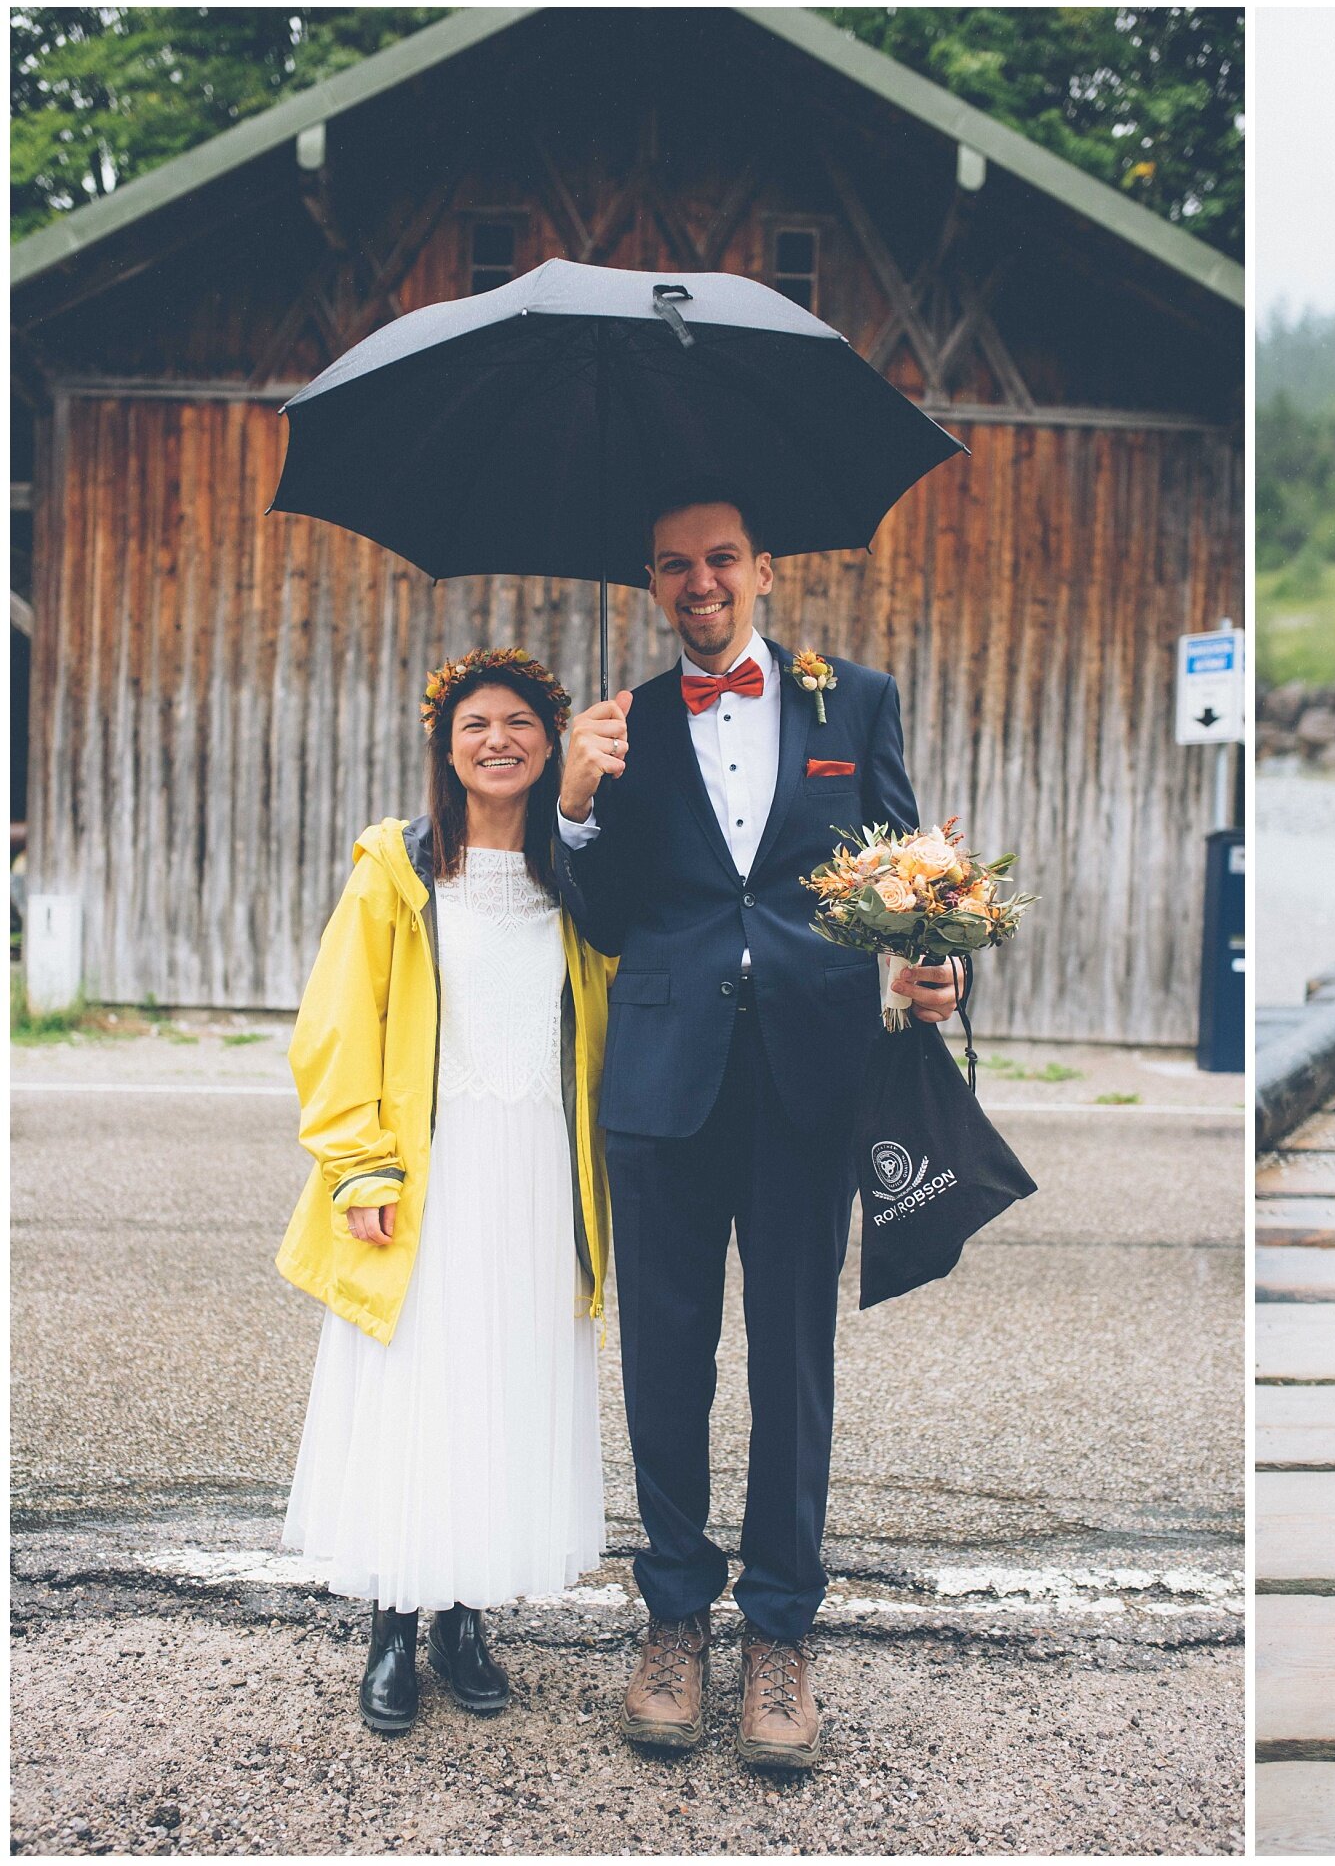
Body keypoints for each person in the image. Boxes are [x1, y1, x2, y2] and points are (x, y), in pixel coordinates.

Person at [553, 488, 961, 1773]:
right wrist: (572, 803)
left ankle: (780, 1633)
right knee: (666, 1359)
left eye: (720, 559)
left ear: (764, 569)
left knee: (793, 1364)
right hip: (664, 1079)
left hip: (809, 1070)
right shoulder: (617, 727)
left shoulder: (858, 701)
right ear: (653, 582)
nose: (700, 583)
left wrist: (935, 962)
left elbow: (905, 871)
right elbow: (608, 916)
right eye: (674, 566)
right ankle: (674, 1619)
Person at [279, 648, 615, 1735]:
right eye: (476, 723)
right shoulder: (397, 866)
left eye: (521, 722)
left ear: (553, 741)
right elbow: (339, 1025)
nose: (500, 740)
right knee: (416, 1380)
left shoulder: (581, 884)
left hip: (536, 1171)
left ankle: (464, 1613)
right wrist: (358, 1164)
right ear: (445, 741)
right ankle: (391, 1622)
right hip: (426, 1170)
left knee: (498, 1384)